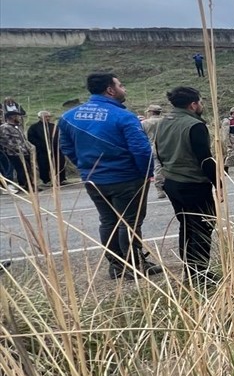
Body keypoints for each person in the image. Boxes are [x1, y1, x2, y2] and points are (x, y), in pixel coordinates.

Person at [59, 72, 162, 278]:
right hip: (126, 178)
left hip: (93, 179)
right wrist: (146, 174)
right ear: (110, 90)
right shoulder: (123, 116)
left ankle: (116, 266)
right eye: (121, 85)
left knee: (107, 221)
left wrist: (85, 167)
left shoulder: (69, 117)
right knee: (130, 224)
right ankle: (134, 265)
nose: (124, 89)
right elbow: (141, 150)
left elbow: (66, 147)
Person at [155, 86, 220, 283]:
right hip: (193, 183)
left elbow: (157, 151)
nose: (201, 105)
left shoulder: (162, 122)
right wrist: (219, 183)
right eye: (200, 102)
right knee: (202, 227)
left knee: (187, 226)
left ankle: (190, 271)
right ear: (193, 104)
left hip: (172, 181)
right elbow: (205, 160)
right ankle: (199, 274)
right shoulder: (194, 125)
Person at [27, 111, 66, 186]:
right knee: (44, 165)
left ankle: (61, 179)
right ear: (40, 118)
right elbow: (31, 138)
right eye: (45, 117)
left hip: (56, 148)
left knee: (59, 162)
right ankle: (46, 180)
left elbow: (60, 136)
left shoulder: (53, 126)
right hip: (42, 150)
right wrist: (40, 145)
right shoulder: (34, 127)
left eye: (48, 117)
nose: (47, 118)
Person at [0, 111, 34, 191]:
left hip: (24, 151)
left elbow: (23, 139)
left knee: (28, 168)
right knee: (22, 169)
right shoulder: (4, 127)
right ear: (11, 117)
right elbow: (6, 141)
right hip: (14, 153)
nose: (19, 118)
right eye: (17, 116)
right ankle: (28, 186)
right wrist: (15, 148)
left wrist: (29, 147)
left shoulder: (18, 126)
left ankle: (25, 184)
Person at [141, 104, 167, 199]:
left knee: (158, 168)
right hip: (166, 146)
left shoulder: (144, 123)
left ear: (150, 112)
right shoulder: (166, 121)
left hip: (153, 147)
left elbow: (141, 137)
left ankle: (160, 189)